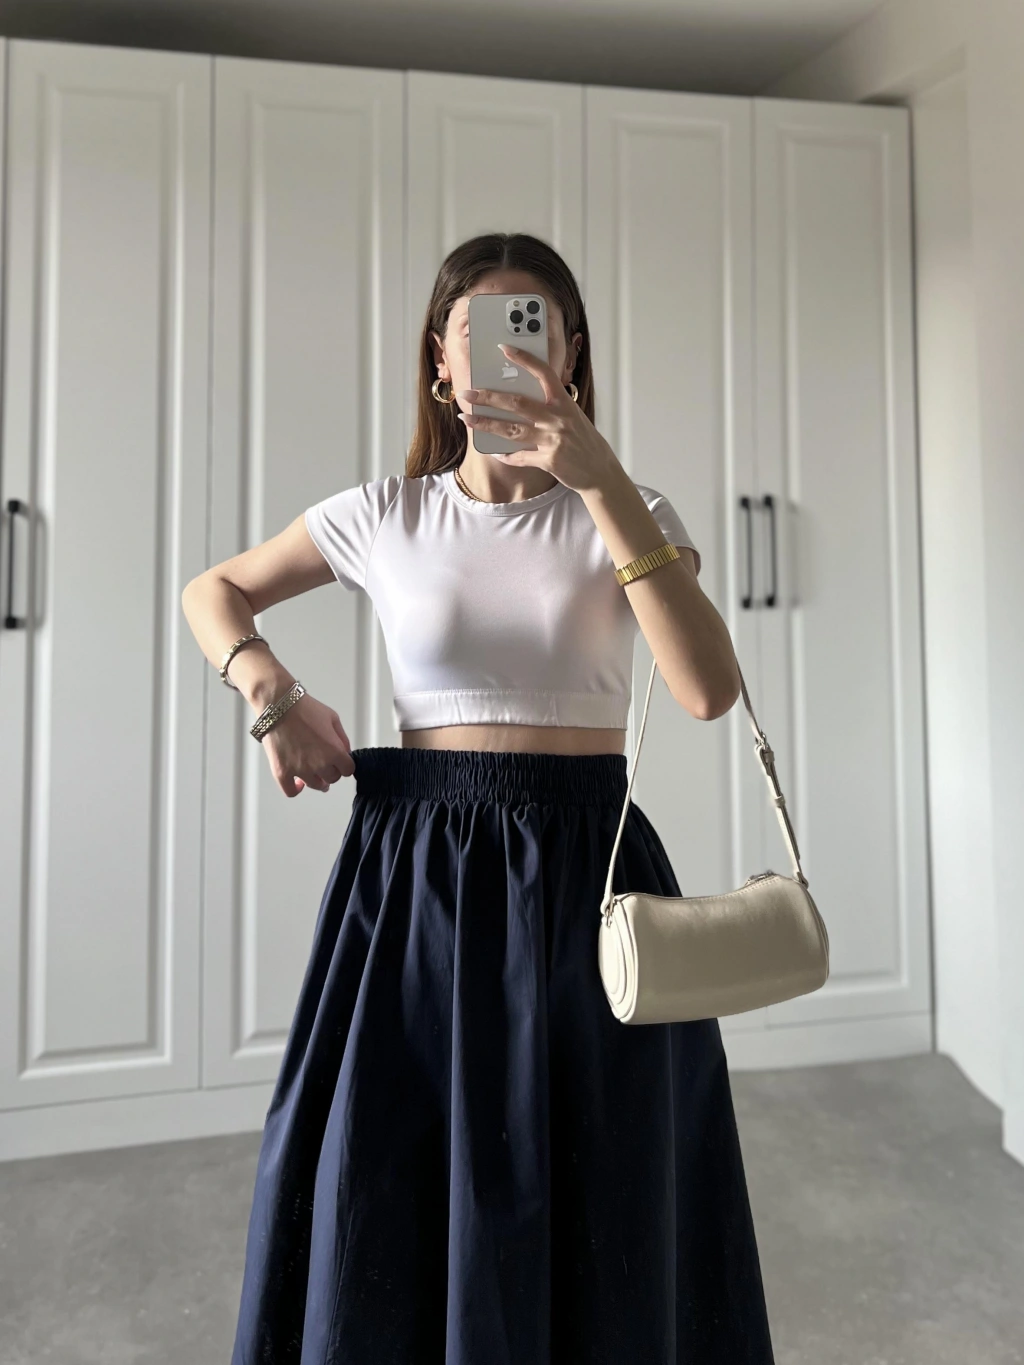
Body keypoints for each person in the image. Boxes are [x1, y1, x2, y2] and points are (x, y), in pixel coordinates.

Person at [181, 231, 775, 1363]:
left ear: (570, 354)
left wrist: (599, 481)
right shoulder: (384, 514)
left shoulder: (630, 509)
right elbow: (212, 591)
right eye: (478, 331)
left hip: (591, 872)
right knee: (397, 1181)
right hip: (417, 886)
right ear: (441, 359)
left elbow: (706, 691)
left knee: (609, 1188)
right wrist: (270, 693)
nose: (506, 353)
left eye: (532, 329)